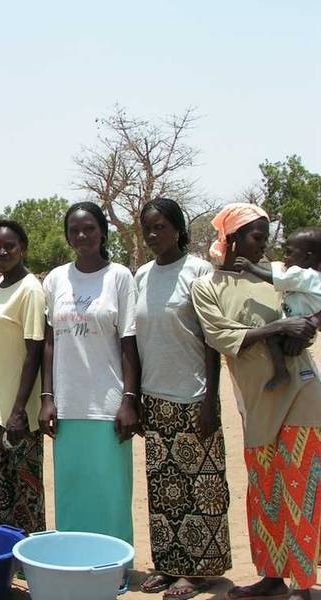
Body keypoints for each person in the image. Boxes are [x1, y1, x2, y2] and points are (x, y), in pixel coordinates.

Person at [191, 203, 321, 600]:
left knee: (301, 488)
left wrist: (310, 325)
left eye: (267, 238)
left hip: (302, 390)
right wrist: (280, 326)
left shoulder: (277, 276)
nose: (265, 247)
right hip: (256, 399)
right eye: (257, 238)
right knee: (264, 490)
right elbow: (221, 337)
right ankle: (271, 576)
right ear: (231, 240)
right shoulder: (207, 286)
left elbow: (315, 293)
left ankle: (301, 582)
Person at [135, 198, 231, 598]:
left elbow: (213, 343)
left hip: (194, 397)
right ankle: (170, 565)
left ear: (178, 229)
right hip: (154, 396)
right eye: (148, 229)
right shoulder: (141, 275)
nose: (154, 235)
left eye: (161, 227)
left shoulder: (199, 272)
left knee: (201, 487)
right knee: (164, 489)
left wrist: (210, 399)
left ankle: (201, 571)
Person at [39, 201, 140, 548]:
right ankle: (74, 564)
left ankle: (116, 566)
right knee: (72, 489)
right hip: (67, 406)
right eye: (74, 230)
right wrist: (47, 398)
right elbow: (49, 342)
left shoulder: (120, 277)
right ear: (67, 237)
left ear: (102, 232)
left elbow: (129, 342)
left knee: (110, 491)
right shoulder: (55, 279)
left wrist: (129, 400)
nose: (82, 235)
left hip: (108, 405)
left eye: (89, 229)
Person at [0, 219, 46, 532]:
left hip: (16, 413)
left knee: (24, 493)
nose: (2, 251)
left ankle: (28, 562)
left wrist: (18, 411)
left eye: (9, 246)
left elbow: (34, 353)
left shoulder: (29, 290)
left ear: (22, 248)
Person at [234, 227, 321, 390]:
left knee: (272, 339)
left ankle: (281, 372)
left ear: (307, 257)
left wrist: (251, 267)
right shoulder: (315, 276)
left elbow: (277, 280)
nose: (285, 258)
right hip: (307, 328)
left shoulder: (300, 274)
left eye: (289, 253)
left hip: (302, 325)